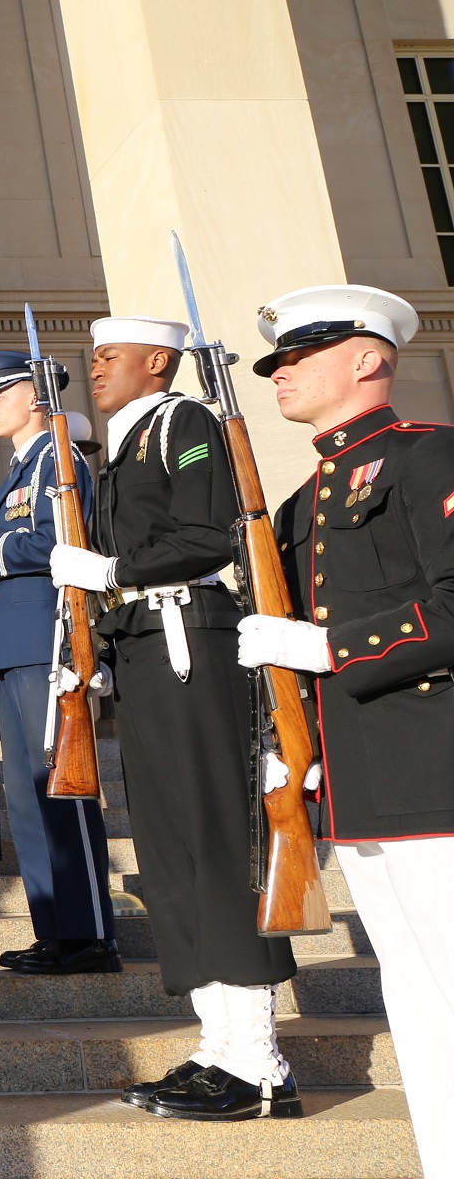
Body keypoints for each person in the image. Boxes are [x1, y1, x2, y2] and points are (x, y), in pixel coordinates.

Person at [50, 315, 299, 1122]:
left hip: (192, 639)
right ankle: (215, 1047)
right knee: (170, 851)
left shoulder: (180, 422)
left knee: (217, 843)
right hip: (145, 648)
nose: (95, 370)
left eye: (109, 357)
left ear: (157, 361)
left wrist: (112, 569)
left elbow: (205, 532)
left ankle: (260, 1063)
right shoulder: (122, 443)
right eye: (93, 359)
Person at [242, 284, 453, 1169]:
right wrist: (293, 750)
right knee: (413, 990)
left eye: (300, 355)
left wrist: (330, 647)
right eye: (278, 360)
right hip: (359, 780)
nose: (280, 373)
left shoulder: (426, 459)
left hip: (433, 765)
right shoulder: (295, 505)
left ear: (368, 358)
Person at [0, 351, 116, 971]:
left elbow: (57, 543)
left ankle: (90, 935)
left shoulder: (58, 458)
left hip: (48, 642)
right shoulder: (18, 465)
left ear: (32, 394)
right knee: (24, 796)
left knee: (61, 790)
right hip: (16, 644)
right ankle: (55, 928)